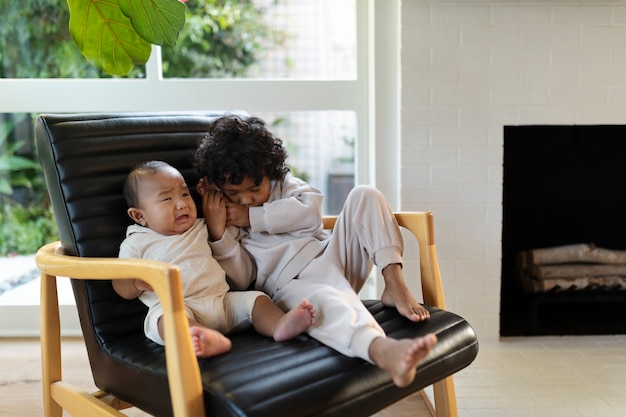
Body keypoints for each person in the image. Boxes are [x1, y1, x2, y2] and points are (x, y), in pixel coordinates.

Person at [193, 114, 437, 387]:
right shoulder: (226, 216)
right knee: (323, 301)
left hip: (331, 256)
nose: (246, 199)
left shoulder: (283, 185)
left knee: (365, 194)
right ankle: (381, 349)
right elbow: (240, 279)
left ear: (269, 173)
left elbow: (311, 214)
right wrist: (218, 232)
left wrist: (252, 217)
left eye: (254, 188)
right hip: (291, 285)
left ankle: (394, 283)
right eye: (234, 193)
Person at [113, 160, 316, 358]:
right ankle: (204, 336)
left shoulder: (202, 226)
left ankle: (279, 325)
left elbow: (225, 219)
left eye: (185, 193)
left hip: (222, 302)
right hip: (179, 308)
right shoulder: (136, 243)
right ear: (139, 216)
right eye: (167, 199)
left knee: (257, 299)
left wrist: (213, 194)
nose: (182, 203)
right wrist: (136, 282)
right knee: (165, 321)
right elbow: (121, 286)